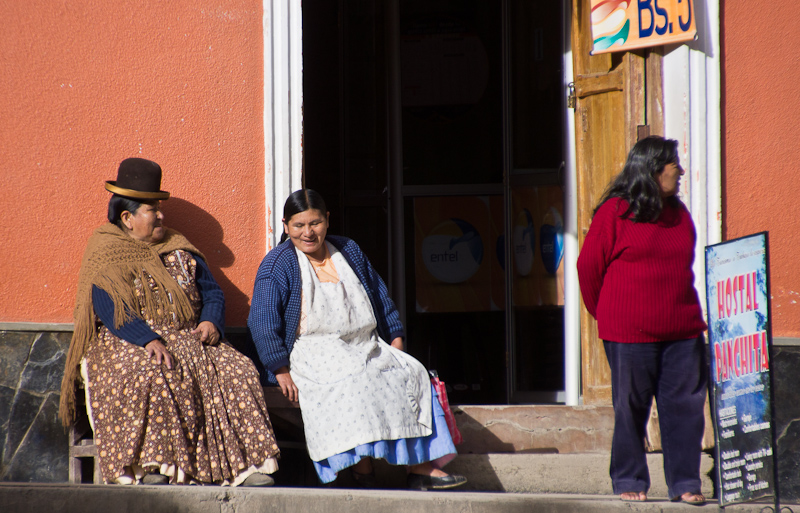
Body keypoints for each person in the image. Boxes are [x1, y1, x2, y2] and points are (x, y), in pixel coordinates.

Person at [59, 158, 280, 486]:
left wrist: (211, 321)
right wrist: (148, 339)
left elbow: (212, 292)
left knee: (239, 370)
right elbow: (110, 307)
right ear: (127, 217)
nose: (161, 214)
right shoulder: (106, 250)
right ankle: (154, 467)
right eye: (152, 209)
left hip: (189, 335)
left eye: (159, 207)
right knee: (157, 373)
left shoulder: (178, 246)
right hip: (129, 338)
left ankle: (246, 468)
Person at [247, 189, 467, 490]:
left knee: (411, 371)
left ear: (327, 220)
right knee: (356, 379)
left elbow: (379, 294)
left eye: (315, 223)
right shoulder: (277, 265)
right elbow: (261, 322)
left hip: (365, 342)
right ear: (286, 226)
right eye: (299, 226)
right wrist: (279, 369)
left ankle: (419, 468)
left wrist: (396, 337)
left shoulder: (348, 250)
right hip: (313, 350)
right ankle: (362, 472)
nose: (308, 233)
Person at [577, 136, 709, 505]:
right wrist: (604, 313)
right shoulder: (615, 212)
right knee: (630, 407)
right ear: (653, 170)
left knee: (684, 408)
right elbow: (588, 269)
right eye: (674, 165)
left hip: (682, 331)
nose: (680, 171)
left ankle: (685, 483)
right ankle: (629, 478)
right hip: (629, 333)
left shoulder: (679, 213)